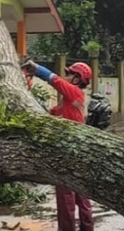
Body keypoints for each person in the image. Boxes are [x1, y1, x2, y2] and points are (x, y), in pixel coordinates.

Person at [21, 59, 95, 231]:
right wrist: (29, 95)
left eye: (69, 74)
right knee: (81, 194)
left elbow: (55, 81)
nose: (65, 76)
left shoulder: (75, 92)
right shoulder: (67, 102)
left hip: (67, 152)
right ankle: (87, 228)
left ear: (76, 79)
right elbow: (49, 114)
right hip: (78, 151)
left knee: (66, 196)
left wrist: (36, 68)